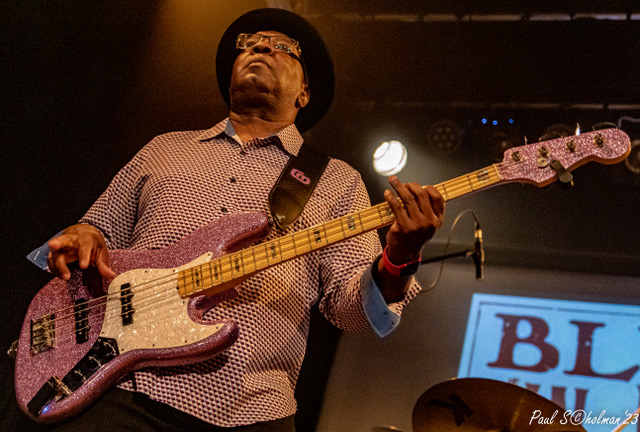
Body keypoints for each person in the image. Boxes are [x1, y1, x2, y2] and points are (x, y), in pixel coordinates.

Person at [28, 8, 445, 431]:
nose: (261, 47)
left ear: (304, 92)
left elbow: (352, 310)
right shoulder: (165, 148)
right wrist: (83, 234)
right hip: (123, 387)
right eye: (250, 43)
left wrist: (400, 256)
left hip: (249, 408)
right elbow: (93, 234)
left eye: (283, 47)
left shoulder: (337, 180)